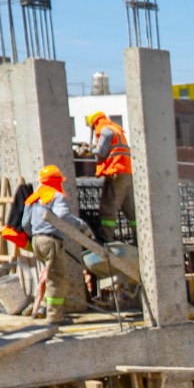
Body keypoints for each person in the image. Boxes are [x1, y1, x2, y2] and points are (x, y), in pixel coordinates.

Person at [19, 165, 97, 321]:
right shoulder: (55, 196)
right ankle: (54, 316)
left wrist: (37, 235)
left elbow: (25, 224)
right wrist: (82, 226)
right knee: (57, 278)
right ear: (57, 181)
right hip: (50, 241)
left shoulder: (33, 198)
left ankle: (44, 308)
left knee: (48, 276)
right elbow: (62, 215)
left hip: (36, 241)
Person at [85, 109, 132, 230]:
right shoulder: (115, 129)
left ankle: (106, 239)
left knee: (108, 207)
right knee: (130, 209)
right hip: (126, 172)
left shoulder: (105, 130)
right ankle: (140, 239)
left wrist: (88, 150)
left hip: (115, 172)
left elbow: (101, 151)